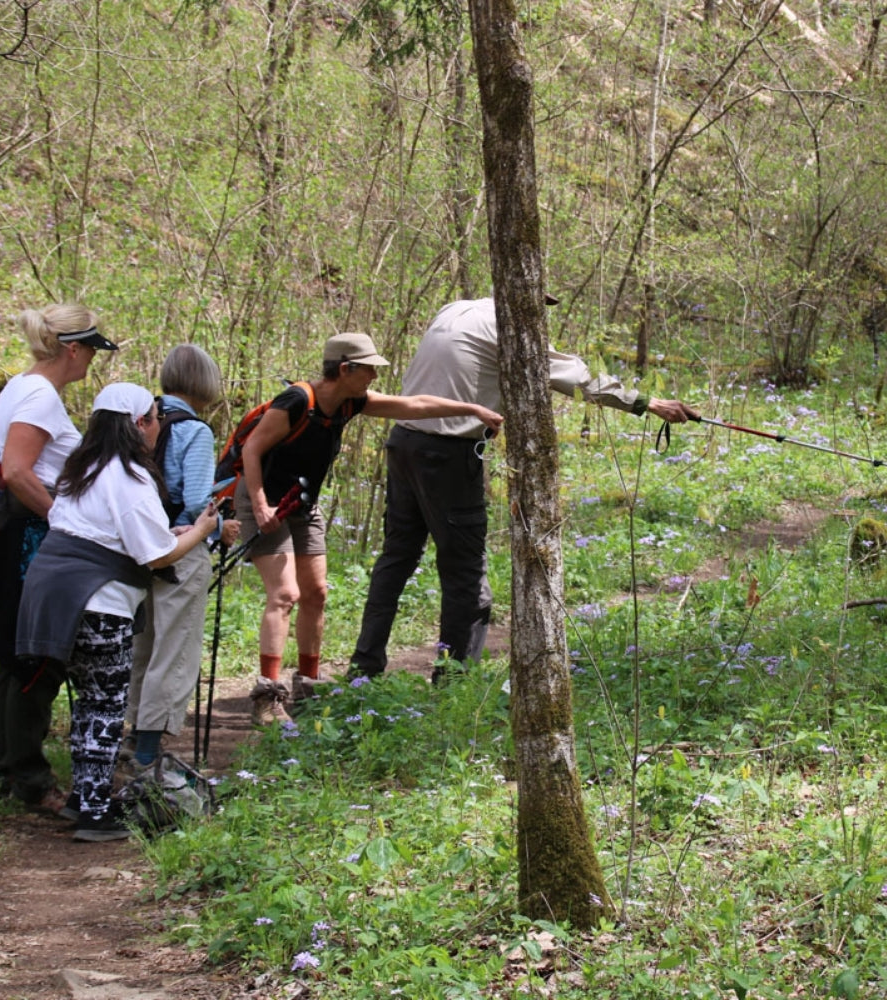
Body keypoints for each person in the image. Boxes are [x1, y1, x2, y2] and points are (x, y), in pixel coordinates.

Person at [348, 296, 701, 683]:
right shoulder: (509, 325)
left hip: (404, 443)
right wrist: (648, 403)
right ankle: (453, 682)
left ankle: (363, 669)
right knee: (465, 573)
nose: (542, 314)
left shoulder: (457, 309)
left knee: (396, 559)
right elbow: (573, 378)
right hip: (446, 455)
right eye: (540, 304)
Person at [236, 331, 504, 725]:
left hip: (302, 503)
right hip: (266, 501)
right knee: (284, 594)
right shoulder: (295, 401)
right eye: (368, 370)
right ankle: (267, 696)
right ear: (345, 368)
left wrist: (473, 409)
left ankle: (307, 685)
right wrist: (259, 505)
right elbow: (252, 448)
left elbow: (415, 405)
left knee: (317, 592)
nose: (373, 378)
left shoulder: (349, 403)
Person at [16, 383, 219, 841]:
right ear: (139, 424)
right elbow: (157, 554)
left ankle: (83, 797)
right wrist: (204, 527)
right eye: (154, 418)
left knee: (89, 702)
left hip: (55, 595)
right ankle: (94, 811)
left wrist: (173, 533)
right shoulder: (128, 475)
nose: (158, 428)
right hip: (96, 600)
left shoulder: (80, 469)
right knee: (104, 705)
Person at [0, 303, 117, 817]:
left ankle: (12, 771)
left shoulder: (19, 386)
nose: (92, 360)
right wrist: (66, 524)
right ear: (72, 348)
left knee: (13, 654)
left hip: (13, 534)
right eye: (90, 349)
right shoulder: (41, 397)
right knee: (36, 658)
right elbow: (19, 470)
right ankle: (30, 778)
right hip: (31, 541)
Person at [124, 345, 239, 772]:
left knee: (144, 645)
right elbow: (194, 500)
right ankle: (150, 754)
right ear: (206, 382)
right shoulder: (196, 431)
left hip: (137, 547)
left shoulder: (139, 418)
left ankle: (134, 735)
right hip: (180, 548)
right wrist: (217, 521)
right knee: (174, 649)